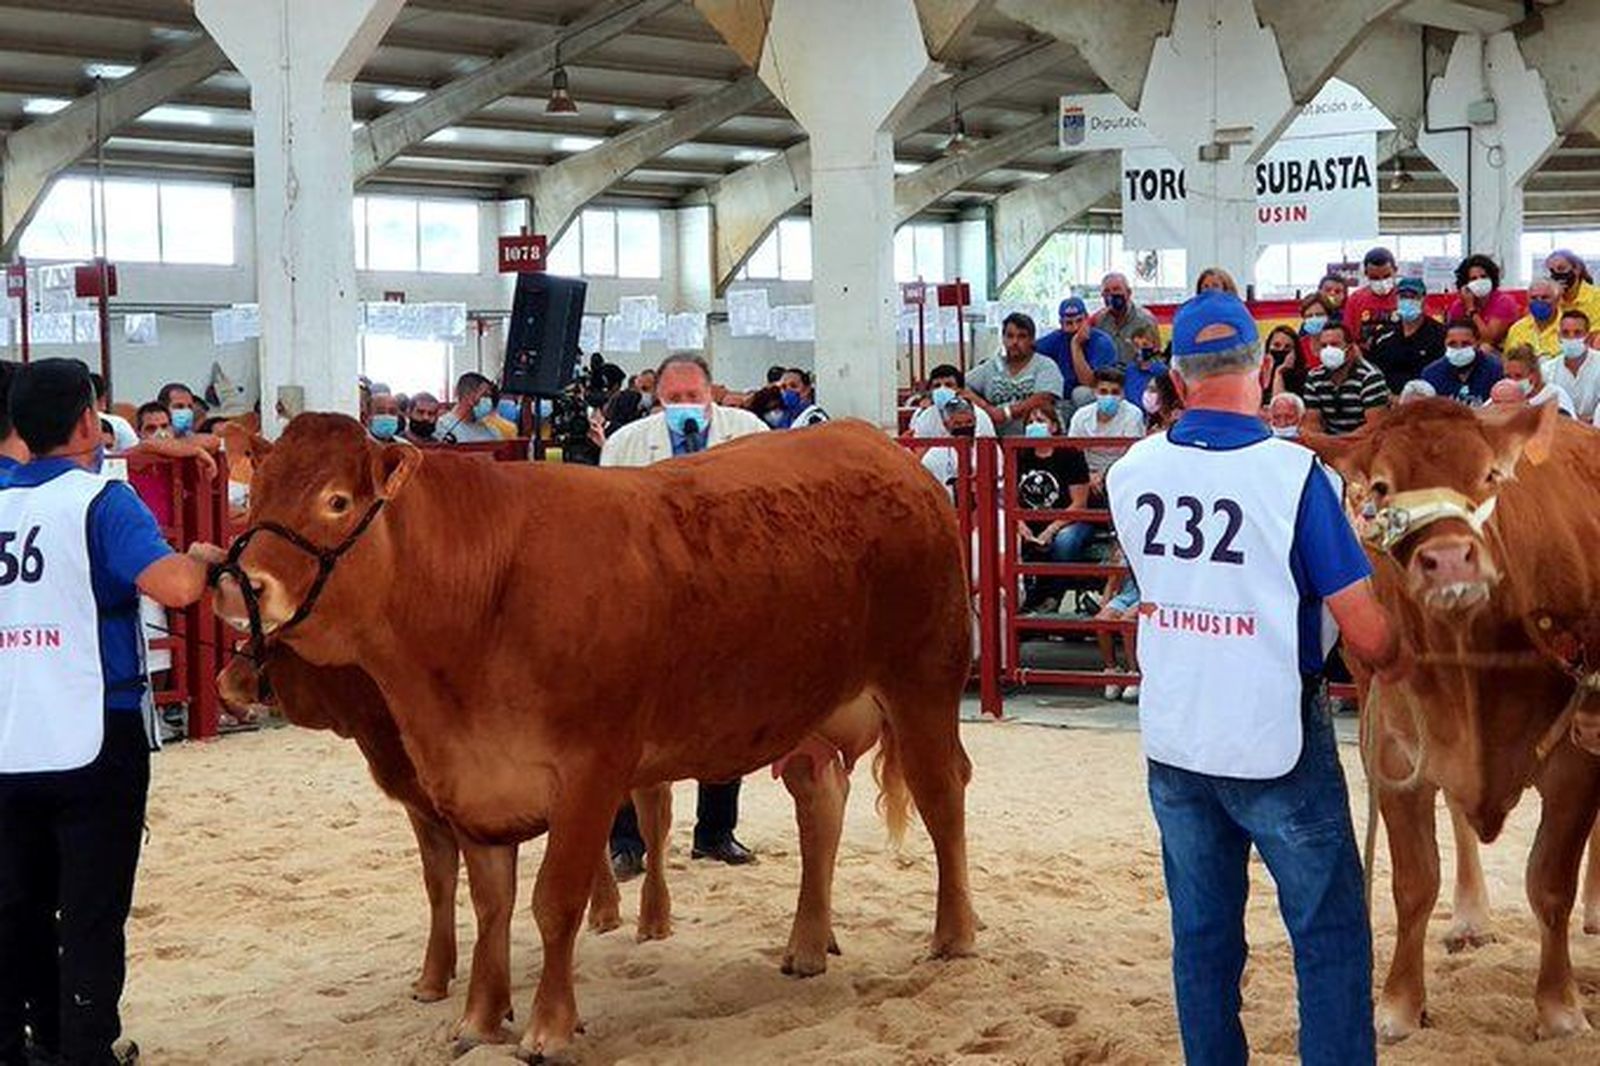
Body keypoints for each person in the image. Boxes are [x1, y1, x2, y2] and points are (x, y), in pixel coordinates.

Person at [1106, 290, 1400, 1066]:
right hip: (1274, 737)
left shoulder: (1131, 471)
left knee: (1202, 935)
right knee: (1328, 931)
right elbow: (1368, 635)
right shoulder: (1295, 476)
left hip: (1176, 734)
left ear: (1174, 373)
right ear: (1262, 367)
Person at [0, 359, 221, 1066]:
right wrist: (201, 554)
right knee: (92, 909)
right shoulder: (102, 501)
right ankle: (87, 1049)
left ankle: (27, 1040)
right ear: (89, 422)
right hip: (94, 733)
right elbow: (176, 588)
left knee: (19, 905)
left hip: (9, 738)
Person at [600, 354, 767, 872]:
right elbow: (608, 520)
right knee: (628, 716)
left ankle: (716, 831)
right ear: (658, 400)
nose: (684, 406)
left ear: (712, 393)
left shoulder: (750, 434)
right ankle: (626, 841)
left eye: (693, 397)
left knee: (725, 710)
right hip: (647, 594)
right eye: (673, 399)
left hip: (727, 591)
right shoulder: (626, 442)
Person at [1014, 405, 1090, 614]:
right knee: (1010, 540)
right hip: (1028, 520)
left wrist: (1051, 529)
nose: (1034, 426)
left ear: (1054, 426)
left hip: (1069, 519)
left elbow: (1079, 503)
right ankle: (1020, 599)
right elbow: (1011, 501)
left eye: (1040, 421)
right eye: (1030, 422)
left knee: (1064, 541)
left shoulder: (1070, 454)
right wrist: (1020, 526)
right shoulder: (1019, 455)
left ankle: (1053, 596)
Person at [962, 313, 1064, 437]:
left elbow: (1043, 399)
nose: (1015, 342)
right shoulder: (992, 365)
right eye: (1010, 336)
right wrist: (985, 407)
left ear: (1032, 340)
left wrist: (1006, 413)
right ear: (1003, 339)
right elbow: (962, 385)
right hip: (996, 438)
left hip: (1035, 438)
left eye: (1022, 336)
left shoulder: (1045, 365)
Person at [1301, 322, 1388, 435]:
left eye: (1334, 344)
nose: (1328, 350)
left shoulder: (1370, 377)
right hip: (1329, 442)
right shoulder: (1314, 377)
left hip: (1365, 444)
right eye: (1324, 346)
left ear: (1350, 348)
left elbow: (1375, 427)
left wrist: (1340, 446)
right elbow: (1313, 423)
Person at [1036, 296, 1119, 411]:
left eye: (1079, 321)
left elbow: (1089, 382)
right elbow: (1029, 350)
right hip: (1064, 398)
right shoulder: (1057, 338)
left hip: (1100, 397)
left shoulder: (1101, 341)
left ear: (1087, 319)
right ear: (1061, 324)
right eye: (1069, 323)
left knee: (1080, 393)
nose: (1075, 327)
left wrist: (1075, 345)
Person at [1367, 276, 1444, 394]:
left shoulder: (1440, 334)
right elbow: (1375, 373)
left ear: (1424, 299)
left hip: (1425, 402)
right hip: (1389, 401)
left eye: (1413, 297)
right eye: (1403, 297)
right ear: (1396, 299)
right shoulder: (1383, 335)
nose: (1408, 301)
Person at [1420, 319, 1503, 406]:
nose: (1459, 349)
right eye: (1452, 344)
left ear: (1477, 343)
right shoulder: (1431, 374)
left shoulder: (1496, 370)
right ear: (1444, 344)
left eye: (1465, 344)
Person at [1445, 254, 1519, 350]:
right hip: (1465, 349)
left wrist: (1471, 309)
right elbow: (1452, 336)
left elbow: (1489, 339)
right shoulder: (1458, 305)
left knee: (1485, 348)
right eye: (1473, 279)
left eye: (1484, 277)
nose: (1479, 281)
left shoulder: (1504, 302)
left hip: (1496, 352)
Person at [909, 364, 997, 439]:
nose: (942, 389)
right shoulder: (925, 416)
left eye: (949, 385)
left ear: (960, 389)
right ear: (931, 391)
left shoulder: (979, 416)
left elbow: (986, 448)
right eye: (937, 386)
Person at [1543, 309, 1600, 420]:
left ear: (1588, 337)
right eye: (1565, 333)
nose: (1571, 338)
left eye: (1577, 333)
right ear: (1559, 337)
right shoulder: (1547, 370)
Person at [1091, 272, 1160, 364]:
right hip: (1107, 376)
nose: (1111, 295)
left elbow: (1156, 357)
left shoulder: (1146, 320)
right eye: (1107, 291)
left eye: (1116, 289)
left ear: (1128, 293)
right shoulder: (1098, 321)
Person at [1341, 245, 1400, 347]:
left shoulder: (1406, 297)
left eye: (1386, 276)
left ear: (1395, 270)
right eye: (1375, 278)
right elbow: (1348, 336)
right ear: (1366, 274)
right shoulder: (1355, 300)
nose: (1382, 282)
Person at [433, 373, 503, 443]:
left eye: (489, 397)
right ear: (468, 395)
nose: (488, 401)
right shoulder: (443, 427)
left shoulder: (492, 432)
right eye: (484, 395)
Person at [1503, 277, 1562, 358]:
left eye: (1545, 297)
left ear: (1557, 300)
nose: (1539, 301)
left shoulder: (1569, 328)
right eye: (1533, 298)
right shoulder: (1517, 329)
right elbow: (1508, 362)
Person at [1121, 324, 1168, 414]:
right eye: (1136, 345)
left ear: (1155, 346)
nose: (1140, 349)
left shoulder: (1162, 371)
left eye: (1145, 345)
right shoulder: (1129, 369)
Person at [1546, 249, 1600, 327]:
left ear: (1577, 269)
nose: (1556, 275)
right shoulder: (1552, 298)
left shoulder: (1596, 297)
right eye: (1552, 271)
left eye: (1561, 269)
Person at [1295, 292, 1335, 371]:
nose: (1314, 319)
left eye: (1319, 315)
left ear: (1328, 316)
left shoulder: (1340, 344)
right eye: (1309, 316)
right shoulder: (1298, 347)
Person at [1263, 324, 1306, 399]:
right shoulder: (1256, 373)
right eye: (1276, 345)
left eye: (1287, 347)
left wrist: (1279, 372)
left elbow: (1280, 405)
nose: (1281, 350)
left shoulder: (1303, 376)